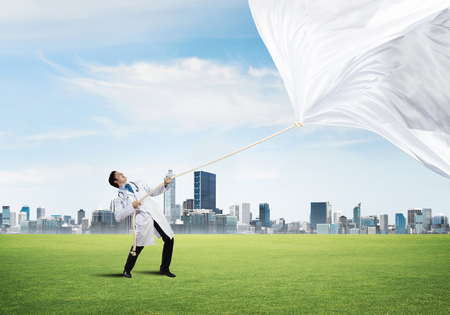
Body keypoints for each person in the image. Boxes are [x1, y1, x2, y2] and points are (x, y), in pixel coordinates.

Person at [109, 171, 175, 278]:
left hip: (155, 214)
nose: (121, 173)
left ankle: (164, 269)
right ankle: (127, 270)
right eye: (118, 174)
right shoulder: (119, 199)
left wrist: (165, 184)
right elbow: (118, 216)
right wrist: (131, 207)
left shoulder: (138, 183)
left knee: (169, 239)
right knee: (138, 246)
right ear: (116, 181)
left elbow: (153, 191)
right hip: (143, 219)